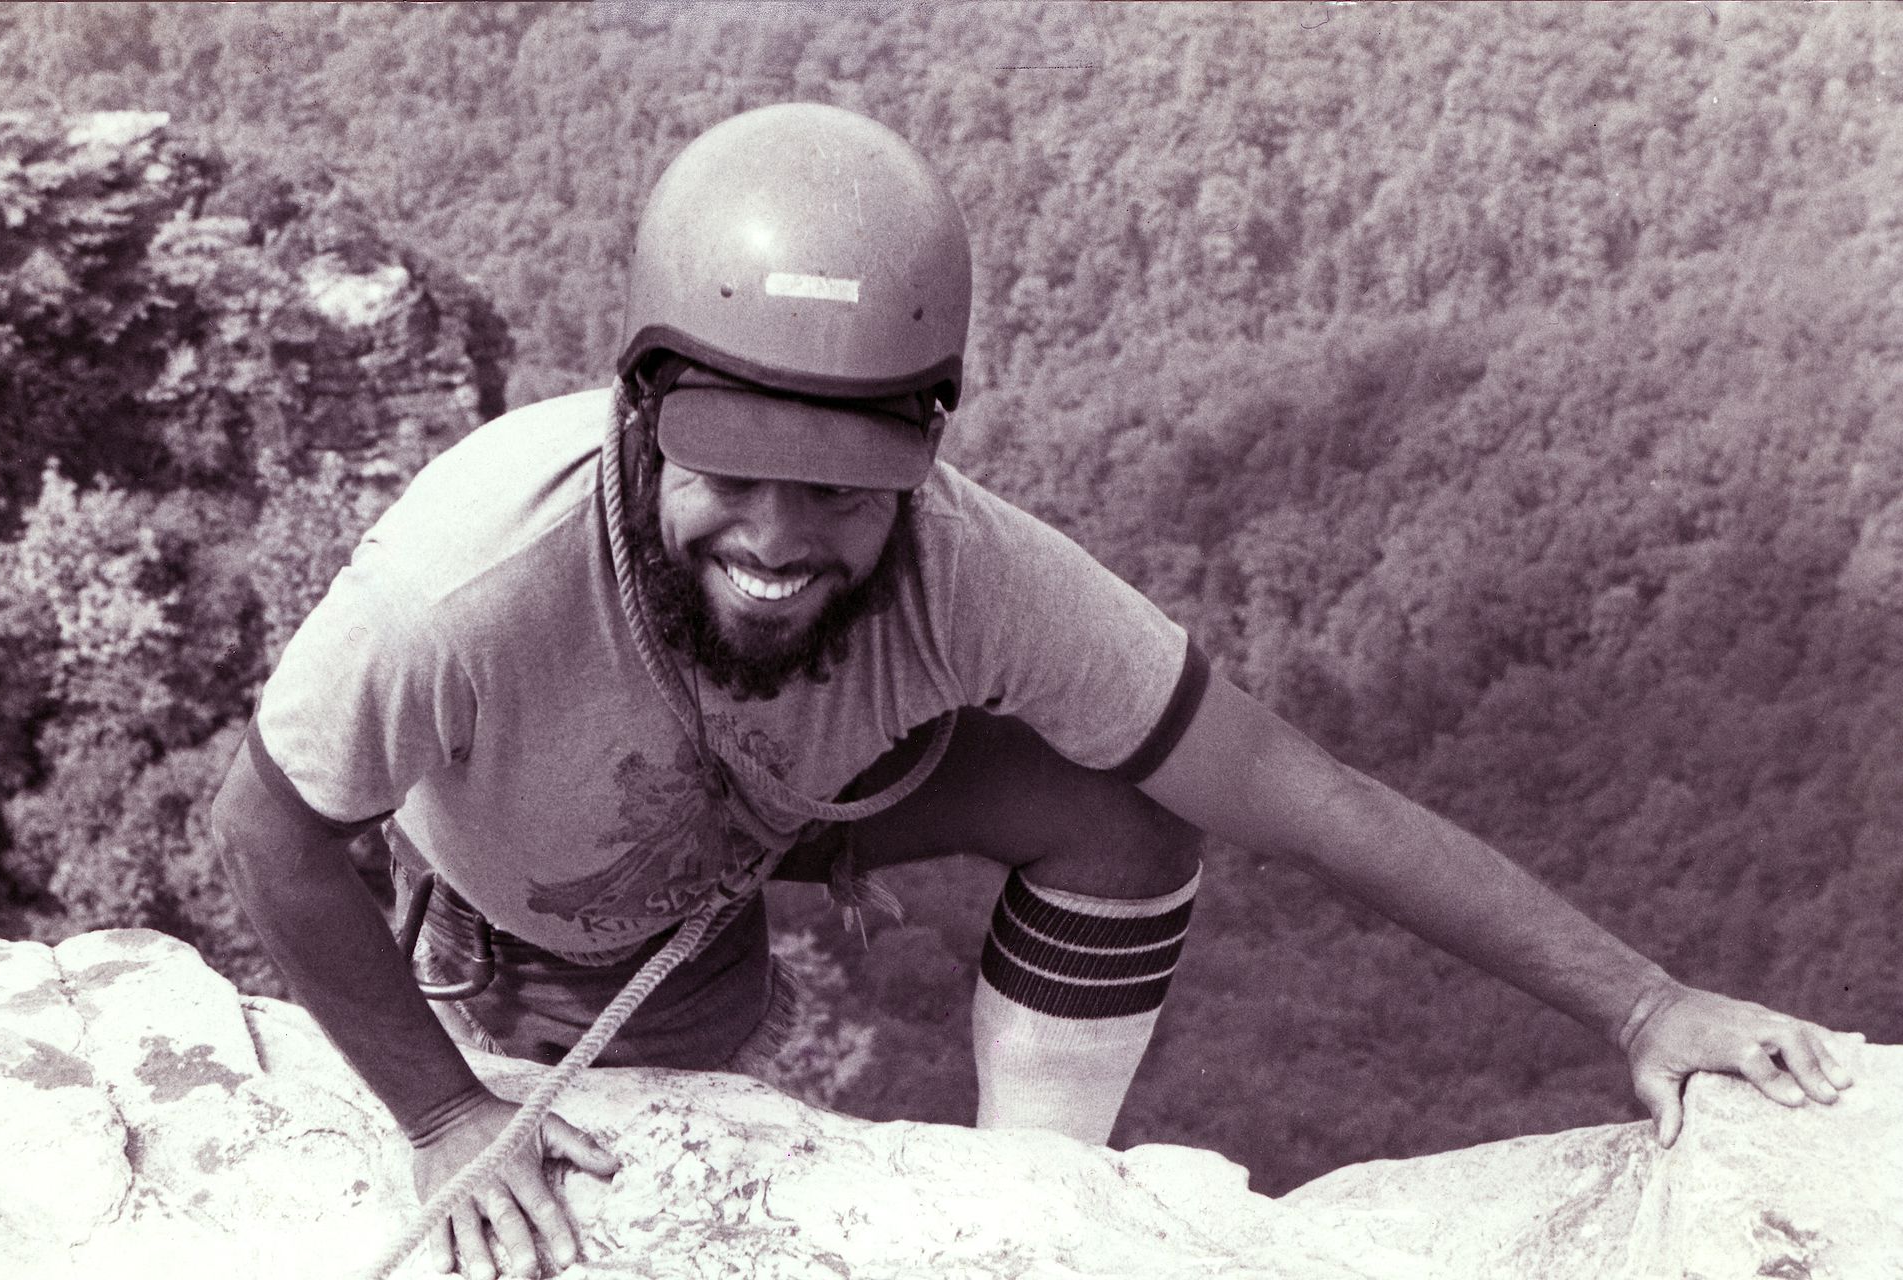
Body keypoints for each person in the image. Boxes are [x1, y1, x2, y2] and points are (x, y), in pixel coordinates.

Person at [212, 103, 1856, 1279]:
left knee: (1121, 818)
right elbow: (271, 827)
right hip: (530, 930)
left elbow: (1304, 796)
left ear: (924, 450)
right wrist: (441, 1116)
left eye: (841, 494)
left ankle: (1031, 1210)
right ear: (642, 408)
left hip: (753, 846)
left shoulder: (972, 569)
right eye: (735, 478)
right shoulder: (472, 579)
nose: (781, 546)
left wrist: (1645, 1005)